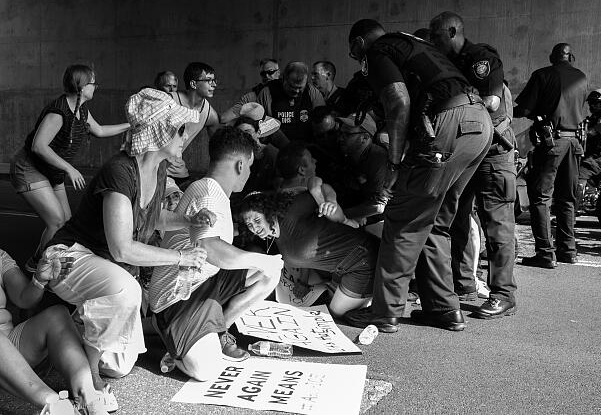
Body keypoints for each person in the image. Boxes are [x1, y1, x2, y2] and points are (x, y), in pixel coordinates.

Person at [41, 88, 215, 407]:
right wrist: (181, 257)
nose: (185, 135)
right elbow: (121, 248)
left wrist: (188, 222)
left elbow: (152, 216)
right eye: (179, 128)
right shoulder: (120, 170)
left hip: (103, 266)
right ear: (160, 130)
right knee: (127, 293)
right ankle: (88, 372)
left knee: (120, 365)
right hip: (70, 257)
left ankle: (72, 327)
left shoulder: (158, 169)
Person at [342, 19, 492, 333]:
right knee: (434, 219)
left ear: (358, 43)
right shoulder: (414, 44)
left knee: (403, 219)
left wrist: (395, 163)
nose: (357, 59)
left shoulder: (379, 50)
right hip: (478, 124)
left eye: (354, 52)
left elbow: (398, 101)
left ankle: (385, 312)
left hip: (448, 124)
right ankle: (443, 309)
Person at [149, 127, 283, 380]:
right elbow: (210, 249)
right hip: (179, 297)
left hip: (205, 283)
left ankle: (221, 330)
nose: (250, 173)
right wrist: (259, 258)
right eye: (251, 167)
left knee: (270, 271)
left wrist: (262, 262)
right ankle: (171, 336)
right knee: (206, 371)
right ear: (241, 164)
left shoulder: (216, 192)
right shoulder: (209, 194)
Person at [429, 11, 517, 319]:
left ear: (453, 32)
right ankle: (463, 283)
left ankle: (504, 294)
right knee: (457, 218)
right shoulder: (446, 63)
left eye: (437, 36)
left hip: (493, 151)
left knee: (496, 224)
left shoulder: (480, 58)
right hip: (466, 150)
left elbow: (491, 100)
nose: (433, 42)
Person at [10, 64, 130, 273]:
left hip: (50, 172)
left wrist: (131, 125)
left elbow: (99, 130)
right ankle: (37, 263)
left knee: (67, 223)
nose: (96, 86)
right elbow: (38, 146)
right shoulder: (59, 112)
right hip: (29, 168)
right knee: (56, 221)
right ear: (82, 87)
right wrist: (69, 169)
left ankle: (43, 260)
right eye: (93, 82)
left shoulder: (82, 109)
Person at [0, 249, 108, 414]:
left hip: (7, 343)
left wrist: (39, 280)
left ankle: (87, 397)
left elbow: (24, 298)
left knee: (57, 315)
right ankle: (56, 406)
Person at [239, 191, 374, 319]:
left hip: (361, 261)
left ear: (269, 211)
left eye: (257, 220)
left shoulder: (292, 212)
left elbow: (320, 186)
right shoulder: (271, 236)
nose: (255, 229)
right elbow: (304, 257)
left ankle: (376, 295)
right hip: (338, 269)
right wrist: (302, 282)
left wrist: (335, 207)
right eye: (249, 225)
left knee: (336, 313)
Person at [514, 43, 587, 268]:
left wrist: (505, 108)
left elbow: (524, 108)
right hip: (575, 142)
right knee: (567, 198)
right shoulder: (582, 77)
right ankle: (568, 250)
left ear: (552, 56)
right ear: (570, 57)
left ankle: (545, 253)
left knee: (541, 197)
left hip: (552, 142)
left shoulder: (543, 75)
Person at [165, 62, 221, 189]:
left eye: (214, 80)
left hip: (177, 170)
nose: (214, 84)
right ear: (193, 84)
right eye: (208, 80)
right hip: (153, 166)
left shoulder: (209, 114)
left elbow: (218, 146)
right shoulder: (169, 100)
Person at [335, 112, 389, 224]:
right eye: (341, 133)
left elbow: (377, 206)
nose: (341, 138)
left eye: (347, 134)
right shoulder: (349, 155)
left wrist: (339, 215)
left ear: (364, 138)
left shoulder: (377, 158)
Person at [257, 61, 325, 143]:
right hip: (277, 148)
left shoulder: (312, 93)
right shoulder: (267, 93)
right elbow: (261, 126)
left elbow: (322, 122)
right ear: (284, 79)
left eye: (300, 88)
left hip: (306, 146)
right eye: (292, 87)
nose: (296, 91)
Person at [220, 58, 281, 124]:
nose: (266, 76)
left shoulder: (289, 92)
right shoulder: (251, 97)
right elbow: (224, 118)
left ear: (278, 72)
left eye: (270, 72)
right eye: (263, 74)